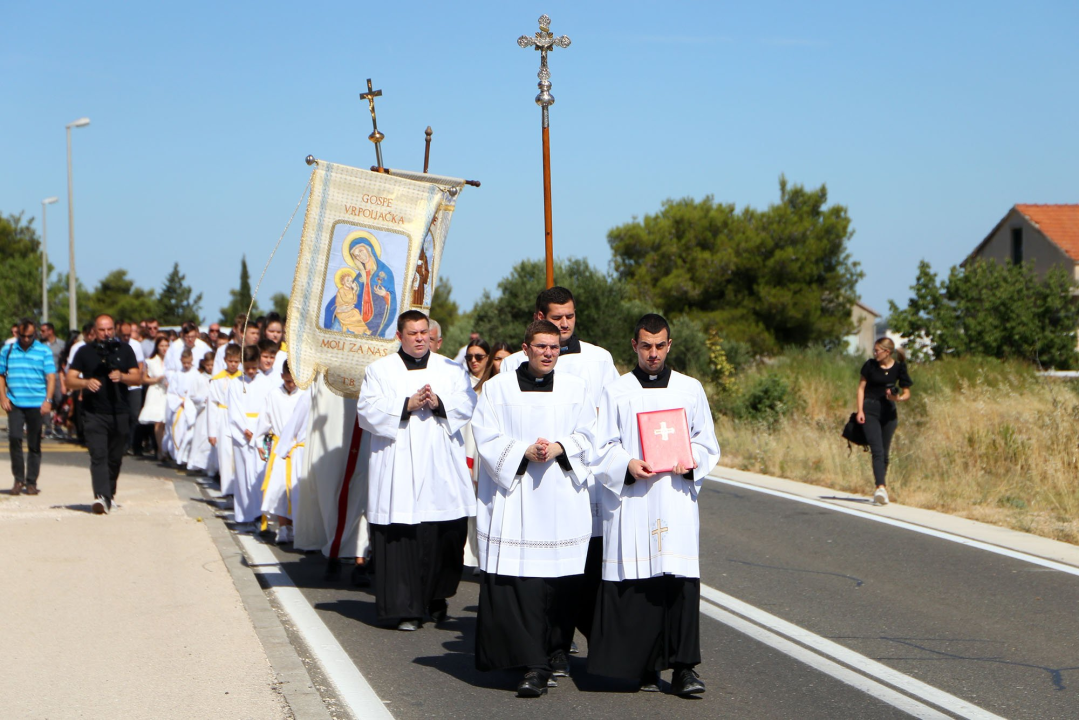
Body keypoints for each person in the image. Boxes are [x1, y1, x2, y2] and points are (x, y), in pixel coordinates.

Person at [589, 314, 721, 695]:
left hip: (675, 497)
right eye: (646, 345)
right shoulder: (617, 391)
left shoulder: (690, 389)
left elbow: (707, 442)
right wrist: (626, 464)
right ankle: (643, 665)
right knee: (639, 583)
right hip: (634, 499)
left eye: (660, 345)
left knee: (678, 584)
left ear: (670, 345)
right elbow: (601, 448)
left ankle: (684, 669)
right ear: (634, 346)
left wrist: (690, 459)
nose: (653, 353)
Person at [472, 320, 597, 697]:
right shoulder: (497, 389)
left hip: (561, 499)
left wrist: (560, 447)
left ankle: (556, 650)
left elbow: (592, 434)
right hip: (520, 499)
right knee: (523, 585)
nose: (548, 353)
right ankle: (533, 665)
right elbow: (485, 436)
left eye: (554, 347)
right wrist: (522, 452)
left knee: (560, 585)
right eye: (541, 346)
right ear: (525, 349)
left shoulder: (577, 389)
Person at [499, 286, 619, 645]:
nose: (564, 324)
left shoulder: (599, 360)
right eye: (556, 318)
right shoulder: (511, 366)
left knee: (580, 568)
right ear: (540, 318)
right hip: (530, 482)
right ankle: (542, 643)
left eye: (570, 316)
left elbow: (610, 419)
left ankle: (575, 639)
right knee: (536, 569)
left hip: (581, 478)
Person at [356, 310, 477, 630]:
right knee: (401, 536)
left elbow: (468, 402)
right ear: (399, 336)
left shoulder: (450, 369)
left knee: (444, 535)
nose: (420, 338)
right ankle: (404, 608)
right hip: (398, 463)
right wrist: (405, 405)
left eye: (425, 333)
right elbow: (366, 412)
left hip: (440, 464)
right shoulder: (379, 370)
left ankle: (435, 598)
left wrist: (438, 403)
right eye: (413, 333)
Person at [66, 314, 141, 514]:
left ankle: (109, 494)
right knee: (98, 455)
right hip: (93, 413)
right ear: (95, 331)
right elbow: (69, 380)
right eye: (102, 330)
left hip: (120, 411)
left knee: (115, 457)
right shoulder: (84, 351)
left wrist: (123, 376)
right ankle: (101, 496)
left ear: (114, 330)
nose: (106, 333)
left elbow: (137, 377)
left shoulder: (125, 350)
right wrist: (85, 382)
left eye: (109, 329)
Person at [0, 319, 56, 495]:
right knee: (15, 438)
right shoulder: (8, 350)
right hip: (15, 402)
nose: (25, 339)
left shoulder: (43, 351)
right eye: (22, 336)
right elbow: (1, 374)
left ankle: (31, 481)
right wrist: (2, 397)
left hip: (36, 404)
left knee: (34, 442)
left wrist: (48, 401)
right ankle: (18, 479)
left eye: (29, 336)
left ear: (35, 334)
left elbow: (51, 378)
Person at [856, 337, 913, 506]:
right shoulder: (870, 365)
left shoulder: (899, 368)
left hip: (889, 413)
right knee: (877, 450)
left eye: (877, 351)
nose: (874, 354)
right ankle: (880, 487)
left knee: (885, 453)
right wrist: (860, 410)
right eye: (874, 351)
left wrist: (898, 398)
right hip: (870, 411)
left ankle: (881, 486)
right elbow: (861, 388)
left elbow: (907, 392)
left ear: (887, 352)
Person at [256, 361, 305, 543]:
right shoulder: (274, 395)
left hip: (298, 449)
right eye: (288, 380)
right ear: (282, 376)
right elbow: (264, 420)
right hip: (279, 449)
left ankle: (295, 527)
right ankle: (283, 527)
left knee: (295, 488)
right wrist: (260, 442)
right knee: (279, 489)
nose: (291, 384)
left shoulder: (305, 395)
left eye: (294, 381)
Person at [227, 345, 273, 531]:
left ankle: (261, 514)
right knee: (244, 475)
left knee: (260, 473)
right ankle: (245, 513)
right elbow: (234, 409)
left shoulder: (267, 382)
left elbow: (269, 406)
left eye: (254, 367)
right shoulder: (236, 383)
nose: (252, 371)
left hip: (262, 431)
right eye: (248, 368)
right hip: (243, 432)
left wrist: (260, 429)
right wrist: (245, 428)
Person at [208, 344, 242, 497]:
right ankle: (228, 491)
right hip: (223, 416)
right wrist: (212, 431)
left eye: (236, 361)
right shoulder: (217, 379)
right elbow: (212, 405)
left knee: (238, 456)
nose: (233, 364)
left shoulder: (243, 378)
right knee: (225, 455)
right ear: (225, 360)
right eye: (230, 361)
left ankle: (240, 492)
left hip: (238, 417)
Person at [138, 335, 170, 460]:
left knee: (167, 422)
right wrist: (156, 379)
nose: (164, 348)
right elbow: (144, 379)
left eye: (166, 345)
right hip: (156, 391)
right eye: (162, 346)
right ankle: (161, 450)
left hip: (168, 392)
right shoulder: (150, 361)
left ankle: (168, 449)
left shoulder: (172, 360)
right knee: (158, 422)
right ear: (157, 347)